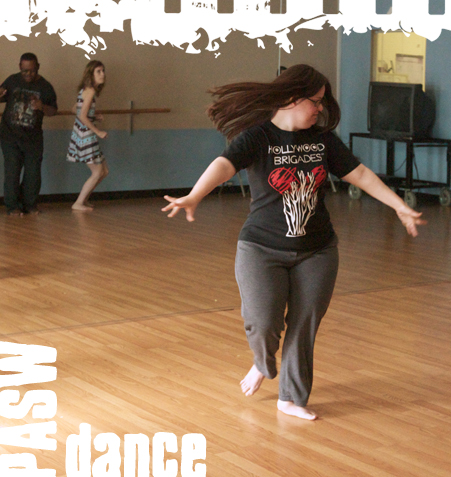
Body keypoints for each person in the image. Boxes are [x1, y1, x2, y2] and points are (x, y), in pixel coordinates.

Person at [162, 64, 426, 420]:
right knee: (263, 322)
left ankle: (291, 398)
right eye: (315, 101)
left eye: (322, 101)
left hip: (317, 250)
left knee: (303, 325)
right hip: (261, 248)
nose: (320, 108)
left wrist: (399, 206)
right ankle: (262, 361)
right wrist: (194, 196)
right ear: (291, 98)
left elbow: (360, 174)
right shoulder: (258, 137)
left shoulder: (323, 140)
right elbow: (224, 165)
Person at [0, 53, 58, 216]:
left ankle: (29, 204)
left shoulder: (45, 87)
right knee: (12, 172)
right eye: (25, 71)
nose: (28, 74)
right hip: (10, 136)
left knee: (33, 173)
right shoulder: (12, 81)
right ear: (20, 67)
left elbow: (53, 110)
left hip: (33, 137)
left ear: (37, 67)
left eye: (32, 71)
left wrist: (42, 107)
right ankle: (12, 207)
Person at [66, 60, 109, 211]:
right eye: (98, 71)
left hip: (82, 134)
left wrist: (93, 115)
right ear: (90, 74)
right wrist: (98, 131)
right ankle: (78, 203)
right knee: (97, 172)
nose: (102, 74)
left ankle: (83, 200)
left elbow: (75, 109)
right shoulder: (90, 91)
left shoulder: (85, 91)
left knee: (104, 171)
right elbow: (82, 116)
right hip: (85, 136)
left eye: (103, 71)